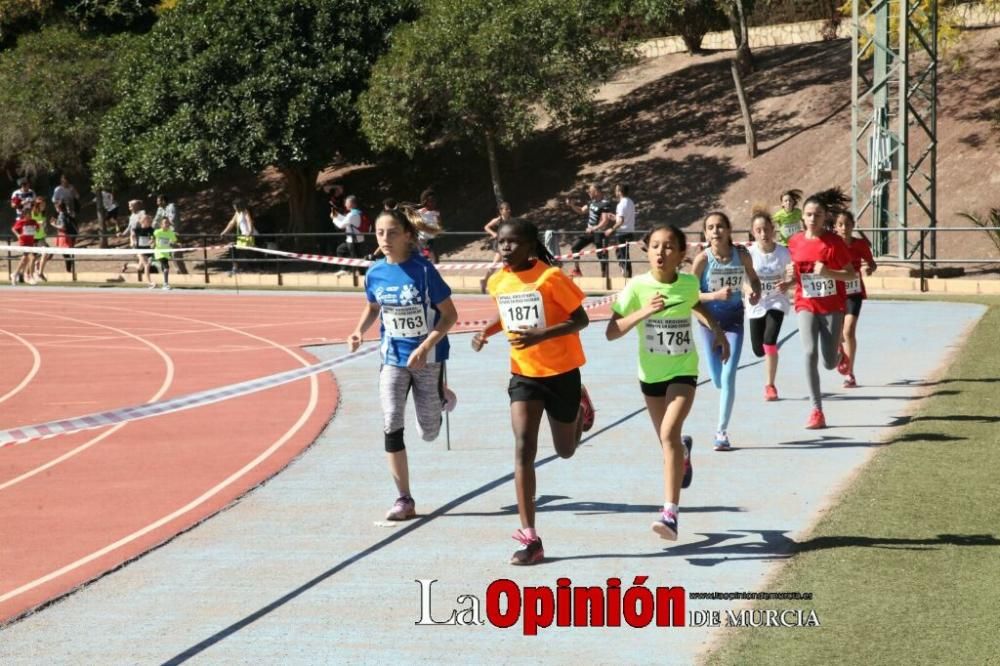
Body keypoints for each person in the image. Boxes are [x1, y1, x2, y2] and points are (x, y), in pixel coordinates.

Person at [471, 217, 596, 565]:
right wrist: (486, 332)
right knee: (524, 446)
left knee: (565, 450)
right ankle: (531, 538)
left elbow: (581, 320)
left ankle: (579, 407)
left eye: (512, 242)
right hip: (524, 374)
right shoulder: (499, 281)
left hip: (562, 371)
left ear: (529, 245)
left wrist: (542, 335)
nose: (505, 248)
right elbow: (508, 316)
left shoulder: (550, 277)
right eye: (501, 243)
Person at [606, 224, 729, 540]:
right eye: (656, 246)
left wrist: (716, 331)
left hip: (683, 370)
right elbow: (612, 331)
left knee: (668, 432)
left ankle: (670, 513)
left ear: (681, 253)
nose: (661, 252)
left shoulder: (688, 284)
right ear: (647, 251)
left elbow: (695, 305)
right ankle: (683, 454)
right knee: (668, 443)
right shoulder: (636, 288)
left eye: (669, 246)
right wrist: (643, 312)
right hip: (651, 376)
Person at [348, 208, 458, 522]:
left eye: (392, 232)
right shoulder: (374, 272)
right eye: (380, 233)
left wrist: (425, 347)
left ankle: (440, 396)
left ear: (408, 235)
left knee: (429, 432)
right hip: (392, 357)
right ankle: (404, 499)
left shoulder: (424, 271)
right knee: (391, 421)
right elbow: (372, 306)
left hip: (428, 357)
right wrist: (359, 330)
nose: (385, 239)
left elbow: (450, 315)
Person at [787, 193, 858, 429]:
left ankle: (839, 354)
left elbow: (850, 274)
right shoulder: (795, 241)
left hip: (831, 307)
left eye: (817, 215)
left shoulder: (834, 243)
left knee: (828, 362)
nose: (812, 219)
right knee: (809, 353)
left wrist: (829, 273)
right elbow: (798, 275)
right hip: (805, 304)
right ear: (802, 217)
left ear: (825, 216)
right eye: (808, 214)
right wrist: (787, 281)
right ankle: (816, 410)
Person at [692, 212, 761, 450]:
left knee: (729, 374)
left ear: (729, 230)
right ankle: (725, 397)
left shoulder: (741, 256)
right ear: (705, 233)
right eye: (710, 227)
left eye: (720, 226)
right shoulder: (702, 260)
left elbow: (754, 279)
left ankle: (721, 432)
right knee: (718, 379)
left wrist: (754, 292)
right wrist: (714, 296)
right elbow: (689, 296)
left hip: (733, 322)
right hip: (708, 323)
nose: (715, 231)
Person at [746, 210, 794, 401]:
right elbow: (742, 280)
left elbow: (794, 277)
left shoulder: (784, 252)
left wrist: (787, 284)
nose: (763, 234)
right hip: (756, 303)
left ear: (773, 230)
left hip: (777, 301)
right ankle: (769, 353)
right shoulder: (748, 254)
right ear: (753, 232)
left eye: (766, 229)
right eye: (759, 230)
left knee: (769, 340)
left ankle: (770, 385)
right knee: (758, 350)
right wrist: (748, 290)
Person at [834, 210, 877, 388]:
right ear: (836, 227)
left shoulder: (859, 245)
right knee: (837, 334)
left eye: (848, 224)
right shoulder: (832, 245)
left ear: (853, 226)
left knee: (849, 331)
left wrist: (870, 268)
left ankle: (850, 373)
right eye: (840, 225)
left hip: (854, 292)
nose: (844, 228)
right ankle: (838, 351)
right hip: (835, 293)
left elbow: (872, 263)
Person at [564, 183, 615, 278]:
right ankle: (577, 270)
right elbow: (582, 210)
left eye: (590, 191)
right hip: (589, 232)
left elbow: (605, 221)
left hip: (599, 233)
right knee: (575, 247)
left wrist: (594, 228)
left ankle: (604, 276)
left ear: (596, 191)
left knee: (601, 255)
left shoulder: (605, 203)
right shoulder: (592, 202)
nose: (588, 192)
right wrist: (572, 205)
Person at [482, 201, 513, 293]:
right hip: (500, 244)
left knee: (506, 263)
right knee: (497, 264)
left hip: (508, 244)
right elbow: (486, 227)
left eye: (509, 209)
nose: (508, 211)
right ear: (501, 211)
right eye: (506, 209)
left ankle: (485, 280)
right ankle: (485, 280)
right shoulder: (498, 220)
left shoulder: (512, 220)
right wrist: (493, 233)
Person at [220, 198, 256, 276]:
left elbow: (249, 221)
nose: (234, 207)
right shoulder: (237, 213)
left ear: (239, 206)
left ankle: (237, 268)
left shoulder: (245, 212)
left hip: (248, 235)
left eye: (235, 206)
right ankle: (235, 268)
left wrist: (250, 232)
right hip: (242, 236)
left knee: (236, 249)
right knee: (233, 248)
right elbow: (231, 223)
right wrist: (224, 232)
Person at [153, 194, 188, 274]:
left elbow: (172, 221)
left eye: (158, 201)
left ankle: (184, 273)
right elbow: (155, 222)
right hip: (165, 235)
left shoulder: (171, 207)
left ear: (163, 201)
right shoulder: (160, 209)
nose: (157, 203)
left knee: (176, 254)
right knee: (169, 255)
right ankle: (178, 272)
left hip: (173, 233)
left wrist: (163, 221)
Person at [608, 183, 636, 278]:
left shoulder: (620, 204)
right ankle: (628, 275)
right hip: (630, 232)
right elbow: (624, 218)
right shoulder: (631, 202)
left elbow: (621, 221)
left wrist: (611, 229)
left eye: (616, 190)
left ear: (620, 192)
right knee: (625, 256)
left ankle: (626, 276)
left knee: (622, 256)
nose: (615, 192)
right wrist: (615, 217)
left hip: (622, 233)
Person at [331, 195, 364, 276]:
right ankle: (358, 271)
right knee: (344, 251)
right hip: (357, 238)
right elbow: (346, 220)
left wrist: (334, 218)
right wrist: (337, 215)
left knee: (354, 257)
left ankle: (348, 270)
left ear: (352, 204)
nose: (345, 204)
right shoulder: (357, 213)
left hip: (353, 240)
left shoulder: (352, 215)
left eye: (346, 202)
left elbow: (341, 225)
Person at [11, 205, 39, 285]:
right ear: (24, 214)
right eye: (28, 214)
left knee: (24, 259)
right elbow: (13, 229)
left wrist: (40, 226)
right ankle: (30, 276)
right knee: (32, 257)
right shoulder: (21, 221)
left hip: (31, 242)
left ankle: (15, 274)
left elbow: (37, 229)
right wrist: (18, 235)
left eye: (30, 214)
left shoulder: (33, 221)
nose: (29, 215)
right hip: (23, 242)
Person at [414, 189, 443, 264]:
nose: (433, 203)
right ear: (426, 201)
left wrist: (438, 229)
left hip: (431, 238)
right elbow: (415, 224)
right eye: (431, 201)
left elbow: (439, 224)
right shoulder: (420, 212)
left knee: (431, 257)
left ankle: (429, 264)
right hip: (423, 239)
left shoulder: (436, 213)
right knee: (430, 256)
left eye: (434, 201)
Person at [118, 200, 146, 276]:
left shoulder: (142, 213)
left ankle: (126, 265)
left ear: (136, 206)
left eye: (131, 205)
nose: (129, 207)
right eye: (129, 205)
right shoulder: (132, 216)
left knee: (141, 265)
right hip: (134, 241)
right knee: (144, 263)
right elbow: (129, 228)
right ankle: (146, 279)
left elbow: (144, 223)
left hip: (142, 240)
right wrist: (123, 234)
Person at [153, 215, 179, 290]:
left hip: (166, 253)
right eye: (165, 223)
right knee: (166, 267)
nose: (167, 224)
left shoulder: (170, 233)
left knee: (163, 268)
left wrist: (176, 243)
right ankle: (165, 284)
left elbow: (174, 241)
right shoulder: (157, 232)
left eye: (168, 223)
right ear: (161, 225)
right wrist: (152, 241)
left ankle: (154, 263)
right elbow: (152, 238)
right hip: (159, 252)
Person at [52, 200, 78, 273]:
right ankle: (69, 268)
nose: (55, 209)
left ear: (59, 207)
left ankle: (68, 270)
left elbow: (63, 227)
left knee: (65, 253)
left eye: (56, 207)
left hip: (64, 235)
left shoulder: (61, 215)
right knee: (66, 253)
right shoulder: (66, 214)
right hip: (67, 235)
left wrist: (54, 225)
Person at [30, 197, 52, 281]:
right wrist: (38, 223)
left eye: (44, 204)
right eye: (42, 205)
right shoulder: (33, 213)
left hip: (41, 237)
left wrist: (45, 229)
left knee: (47, 253)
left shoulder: (43, 213)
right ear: (38, 205)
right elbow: (30, 223)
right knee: (32, 257)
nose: (44, 206)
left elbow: (43, 225)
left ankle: (40, 272)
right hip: (33, 238)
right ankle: (30, 275)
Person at [132, 214, 156, 288]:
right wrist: (133, 241)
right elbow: (132, 235)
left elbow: (153, 238)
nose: (148, 221)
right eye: (146, 220)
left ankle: (126, 265)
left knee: (140, 267)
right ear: (141, 221)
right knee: (147, 264)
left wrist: (152, 241)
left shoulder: (151, 229)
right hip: (139, 250)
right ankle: (149, 282)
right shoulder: (137, 229)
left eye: (149, 220)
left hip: (147, 249)